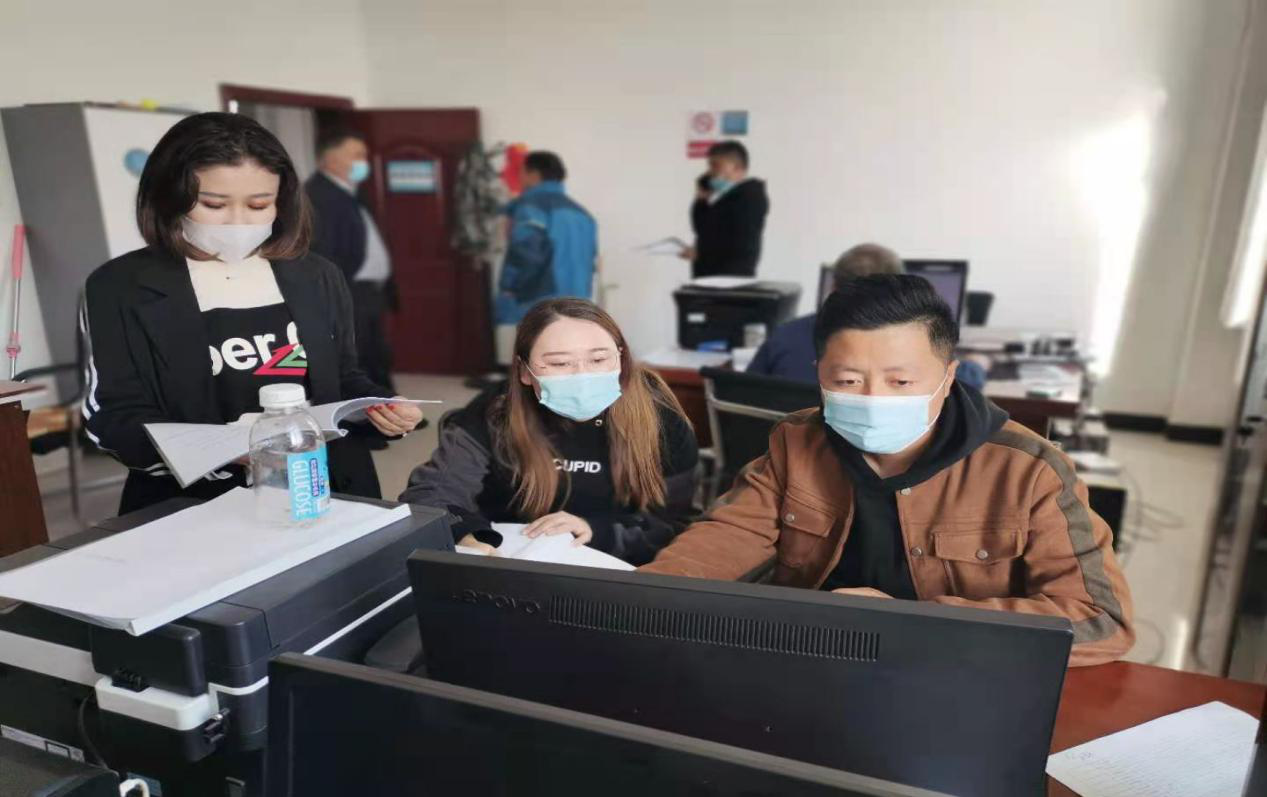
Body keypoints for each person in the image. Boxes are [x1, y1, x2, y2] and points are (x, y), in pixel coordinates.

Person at [642, 275, 1133, 666]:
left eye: (900, 382)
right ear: (819, 373)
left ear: (948, 377)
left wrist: (909, 622)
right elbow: (726, 537)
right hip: (815, 663)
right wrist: (642, 600)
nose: (874, 399)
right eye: (847, 380)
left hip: (948, 672)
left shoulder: (1028, 470)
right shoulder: (797, 442)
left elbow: (1100, 621)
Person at [82, 112, 423, 514]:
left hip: (324, 488)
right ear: (169, 197)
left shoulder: (316, 275)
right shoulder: (120, 286)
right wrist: (222, 453)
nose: (238, 223)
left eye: (259, 204)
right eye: (213, 204)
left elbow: (343, 377)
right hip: (192, 507)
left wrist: (381, 406)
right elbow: (113, 417)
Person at [401, 298, 697, 566]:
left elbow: (674, 525)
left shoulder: (658, 416)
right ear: (524, 371)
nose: (582, 376)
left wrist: (597, 530)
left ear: (621, 358)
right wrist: (465, 535)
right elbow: (430, 494)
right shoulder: (495, 411)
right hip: (507, 562)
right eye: (559, 363)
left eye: (598, 360)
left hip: (614, 569)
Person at [748, 242, 988, 390]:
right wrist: (977, 365)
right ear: (899, 290)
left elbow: (747, 392)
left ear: (833, 286)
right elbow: (956, 387)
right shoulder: (912, 343)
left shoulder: (785, 334)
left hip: (790, 453)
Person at [305, 129, 396, 394]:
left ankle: (387, 403)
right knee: (359, 357)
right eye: (357, 155)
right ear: (330, 159)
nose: (363, 162)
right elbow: (321, 251)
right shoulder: (317, 196)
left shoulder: (352, 192)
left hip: (367, 291)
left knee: (377, 354)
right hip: (346, 289)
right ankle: (373, 407)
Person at [494, 152, 598, 325]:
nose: (519, 178)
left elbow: (524, 254)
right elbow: (590, 263)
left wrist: (508, 291)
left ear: (534, 174)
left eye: (522, 172)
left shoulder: (531, 208)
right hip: (578, 305)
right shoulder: (583, 215)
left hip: (540, 304)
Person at [682, 141, 769, 278]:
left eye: (716, 166)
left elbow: (741, 244)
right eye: (710, 166)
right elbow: (700, 229)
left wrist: (702, 253)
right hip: (709, 276)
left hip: (731, 279)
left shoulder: (750, 197)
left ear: (737, 168)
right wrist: (701, 200)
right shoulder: (723, 198)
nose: (710, 172)